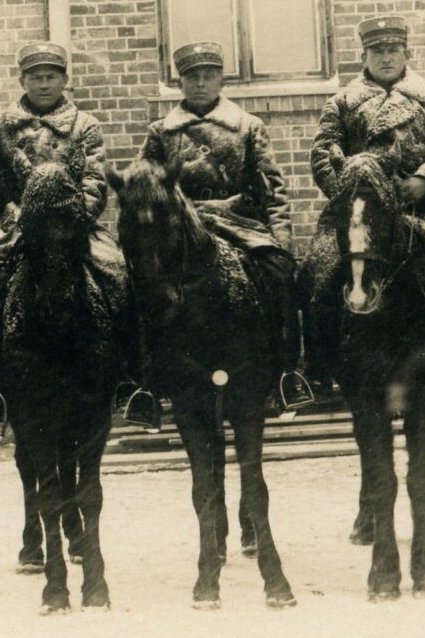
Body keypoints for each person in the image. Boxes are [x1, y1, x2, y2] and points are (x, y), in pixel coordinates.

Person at [126, 41, 312, 429]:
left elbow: (272, 189)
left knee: (278, 277)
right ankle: (145, 386)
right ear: (181, 82)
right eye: (193, 77)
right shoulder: (161, 132)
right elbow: (146, 182)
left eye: (208, 77)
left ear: (220, 80)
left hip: (240, 221)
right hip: (181, 229)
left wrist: (280, 239)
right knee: (141, 287)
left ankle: (286, 376)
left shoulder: (247, 126)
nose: (200, 84)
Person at [303, 16, 425, 385]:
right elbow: (323, 153)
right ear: (364, 55)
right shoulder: (342, 104)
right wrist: (353, 189)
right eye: (377, 51)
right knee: (317, 273)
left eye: (393, 50)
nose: (385, 58)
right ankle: (321, 370)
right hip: (360, 211)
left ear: (406, 53)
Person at [0, 41, 128, 429]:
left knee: (118, 275)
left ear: (64, 80)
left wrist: (72, 219)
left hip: (71, 227)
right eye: (35, 77)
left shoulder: (85, 126)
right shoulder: (0, 126)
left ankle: (125, 382)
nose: (44, 84)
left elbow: (95, 182)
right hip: (11, 227)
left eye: (51, 76)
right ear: (22, 80)